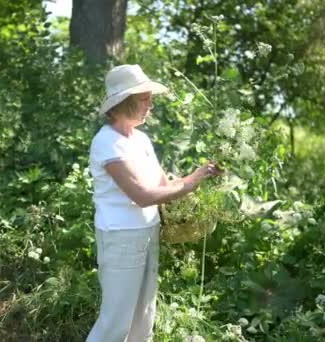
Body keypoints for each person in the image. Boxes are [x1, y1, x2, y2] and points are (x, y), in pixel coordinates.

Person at [87, 64, 220, 342]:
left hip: (148, 231)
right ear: (126, 101)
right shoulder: (107, 143)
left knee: (143, 319)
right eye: (146, 98)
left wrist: (200, 174)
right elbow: (142, 195)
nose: (151, 104)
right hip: (121, 238)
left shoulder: (142, 140)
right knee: (115, 322)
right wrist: (189, 185)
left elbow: (162, 186)